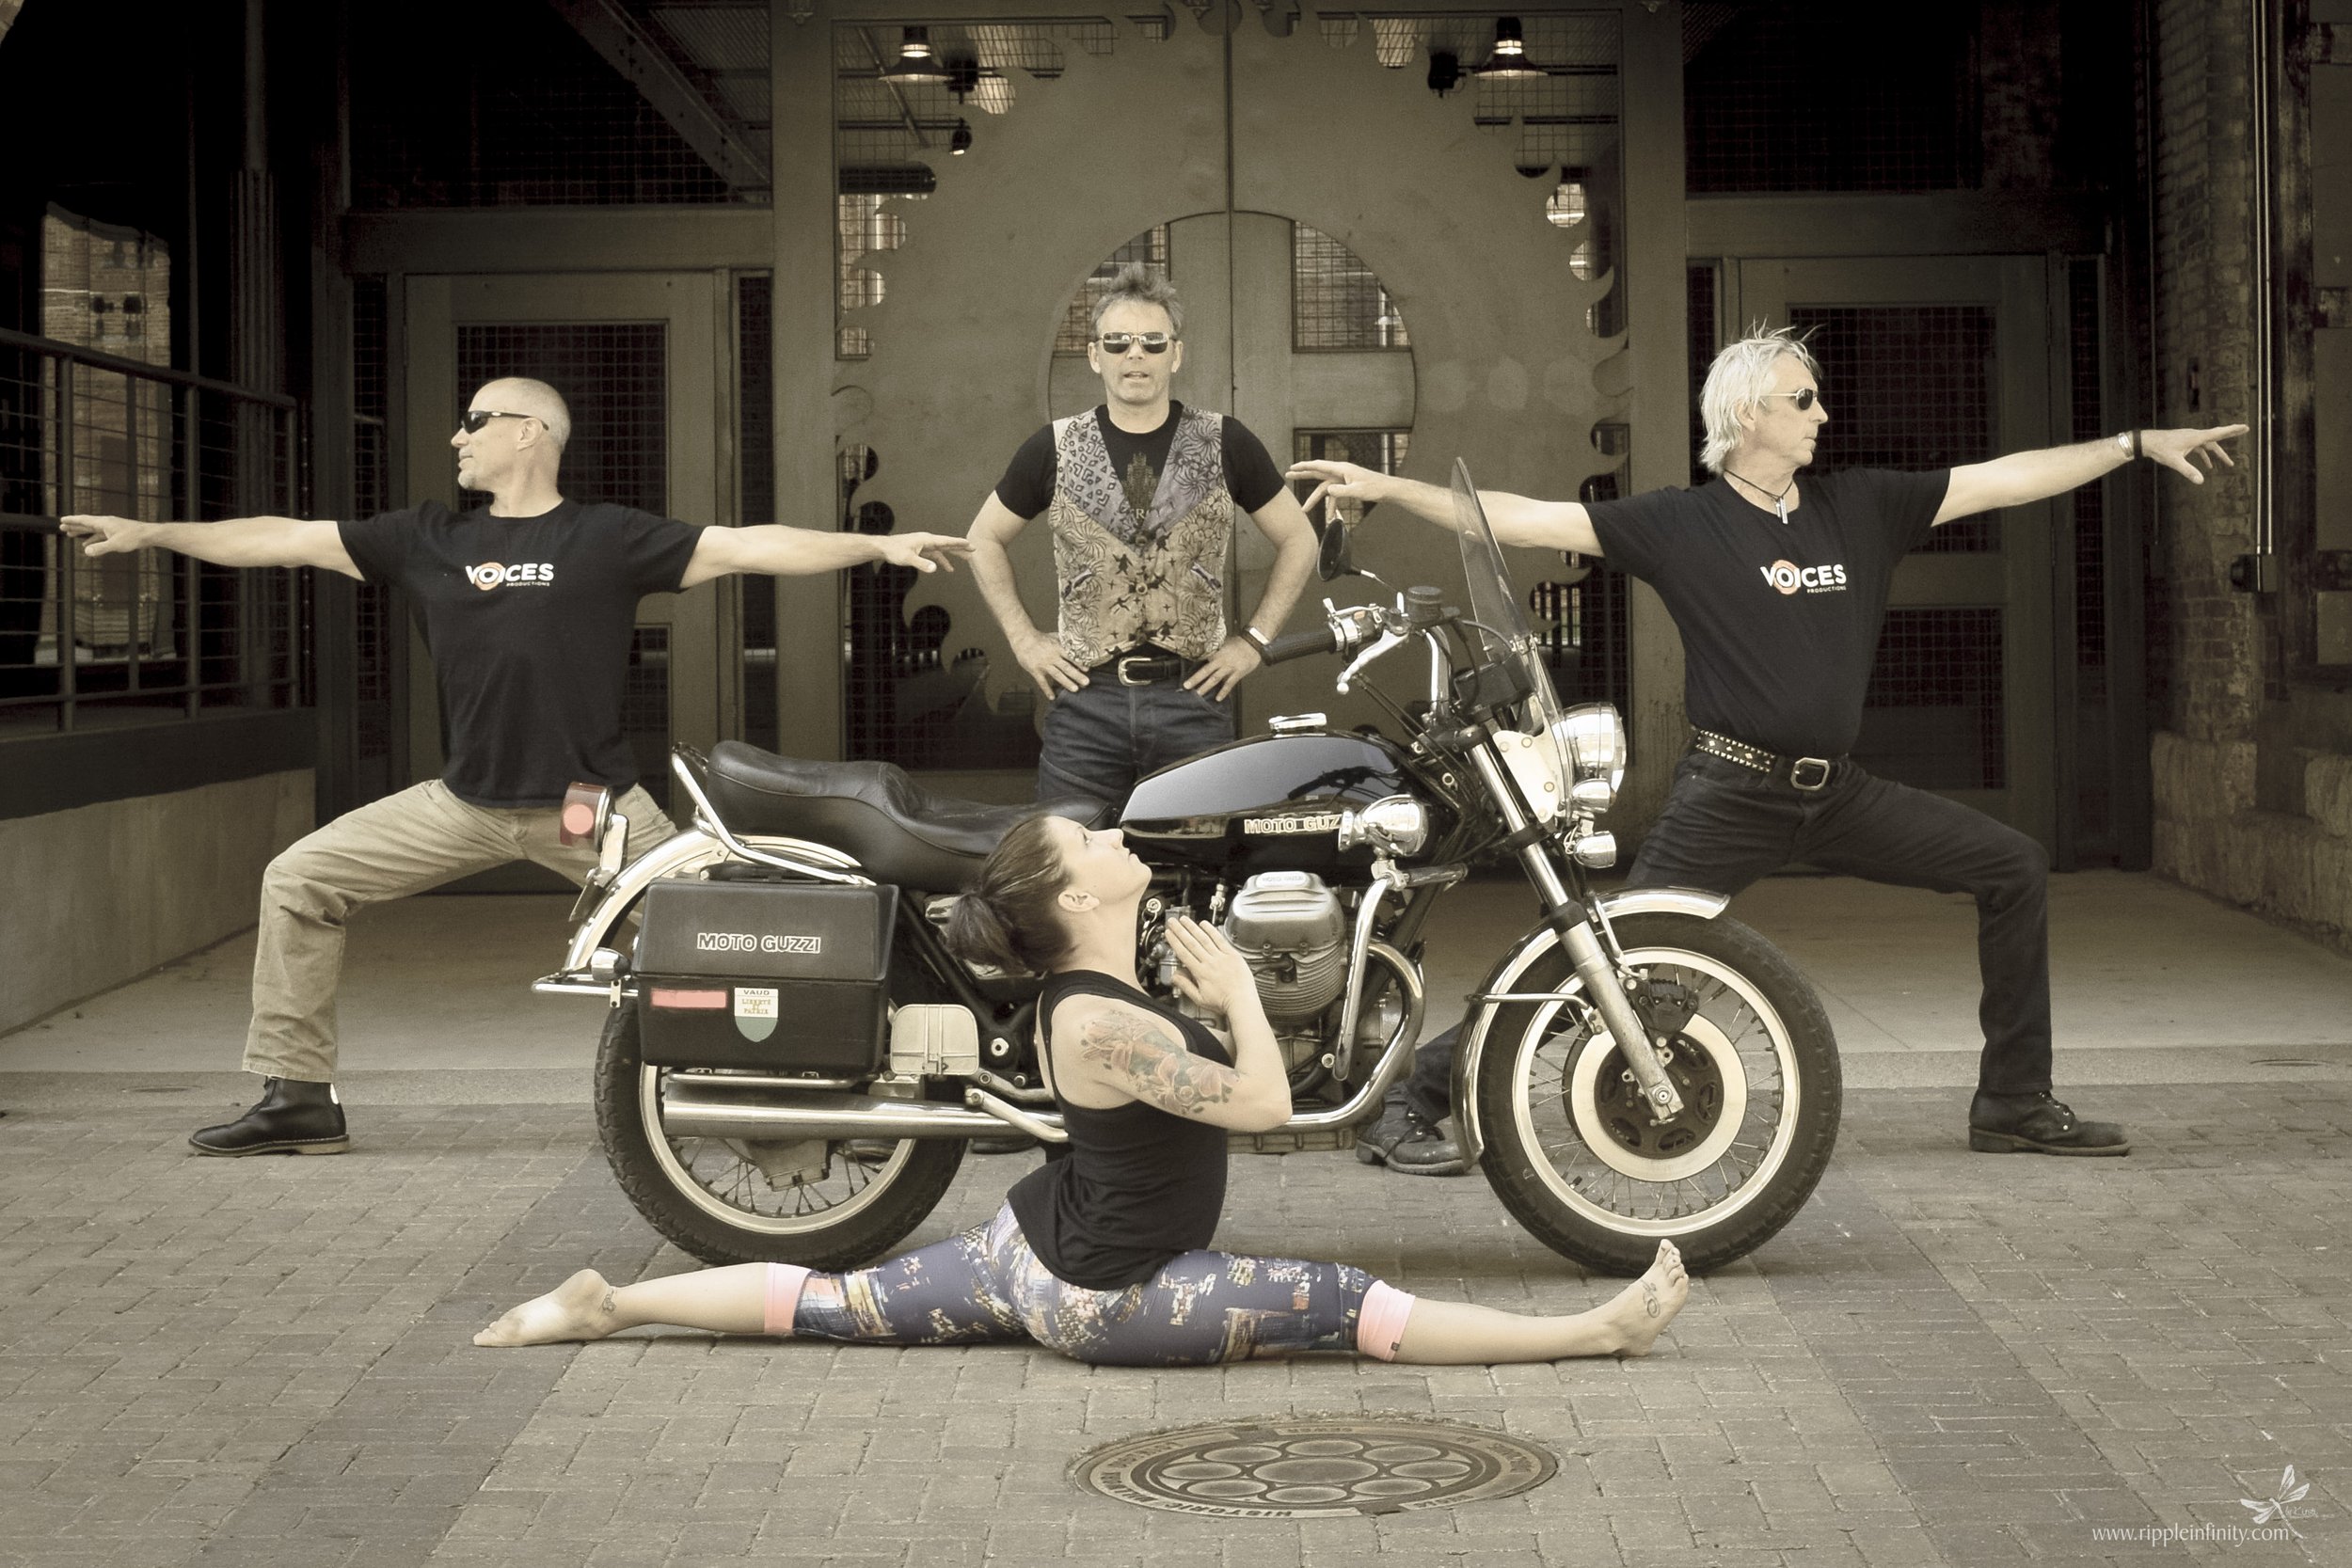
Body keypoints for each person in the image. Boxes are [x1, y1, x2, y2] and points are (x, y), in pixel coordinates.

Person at [1294, 328, 2249, 1166]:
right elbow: (1523, 517)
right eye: (1803, 399)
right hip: (1731, 793)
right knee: (1608, 958)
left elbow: (2003, 478)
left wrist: (2132, 444)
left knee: (2012, 865)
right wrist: (1387, 486)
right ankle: (1414, 1096)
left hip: (1840, 794)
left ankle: (2013, 1101)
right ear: (1747, 413)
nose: (1822, 415)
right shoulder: (1681, 523)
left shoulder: (1862, 506)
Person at [60, 377, 971, 1159]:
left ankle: (838, 1096)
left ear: (529, 432)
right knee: (300, 878)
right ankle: (297, 1096)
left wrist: (876, 546)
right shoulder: (425, 537)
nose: (456, 437)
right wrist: (151, 532)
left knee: (737, 931)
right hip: (463, 802)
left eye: (474, 420)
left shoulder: (607, 537)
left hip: (593, 809)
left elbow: (747, 545)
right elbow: (283, 537)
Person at [476, 813, 1690, 1361]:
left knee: (835, 1302)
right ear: (1073, 898)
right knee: (1346, 1301)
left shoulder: (1099, 991)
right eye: (1094, 844)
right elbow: (1267, 1108)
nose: (1117, 840)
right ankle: (1586, 1332)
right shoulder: (1102, 1020)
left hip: (1028, 1246)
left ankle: (609, 1306)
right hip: (1109, 1294)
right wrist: (1242, 1000)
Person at [963, 263, 1319, 808]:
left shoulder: (1226, 441)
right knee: (1069, 852)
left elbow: (1300, 539)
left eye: (1153, 342)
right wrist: (1023, 639)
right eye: (1118, 342)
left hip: (1193, 700)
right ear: (1095, 355)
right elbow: (983, 539)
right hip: (1085, 702)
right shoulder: (1053, 447)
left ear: (1175, 354)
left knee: (1198, 853)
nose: (1136, 354)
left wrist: (1254, 643)